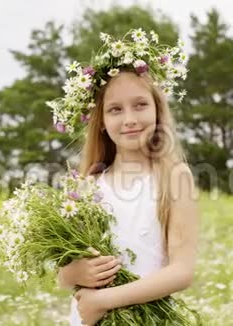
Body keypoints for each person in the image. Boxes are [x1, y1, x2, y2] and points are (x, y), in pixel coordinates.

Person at [50, 29, 200, 326]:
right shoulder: (85, 185)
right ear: (102, 122)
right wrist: (75, 274)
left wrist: (103, 301)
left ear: (158, 109)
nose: (129, 119)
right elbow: (63, 274)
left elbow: (181, 271)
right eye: (115, 110)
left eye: (140, 105)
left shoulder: (174, 177)